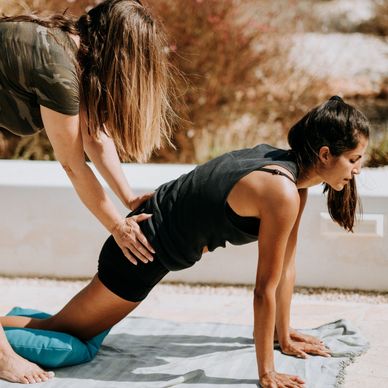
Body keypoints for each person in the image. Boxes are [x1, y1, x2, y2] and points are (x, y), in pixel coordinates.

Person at [0, 96, 370, 387]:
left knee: (74, 331)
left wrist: (284, 337)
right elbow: (263, 291)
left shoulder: (290, 180)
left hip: (147, 247)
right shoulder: (282, 192)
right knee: (69, 339)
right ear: (325, 154)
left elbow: (285, 268)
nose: (357, 170)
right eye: (353, 159)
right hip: (138, 254)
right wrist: (266, 372)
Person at [0, 0, 174, 383]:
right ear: (118, 50)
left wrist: (128, 198)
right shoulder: (58, 67)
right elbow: (73, 164)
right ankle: (2, 357)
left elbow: (95, 136)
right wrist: (118, 226)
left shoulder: (72, 55)